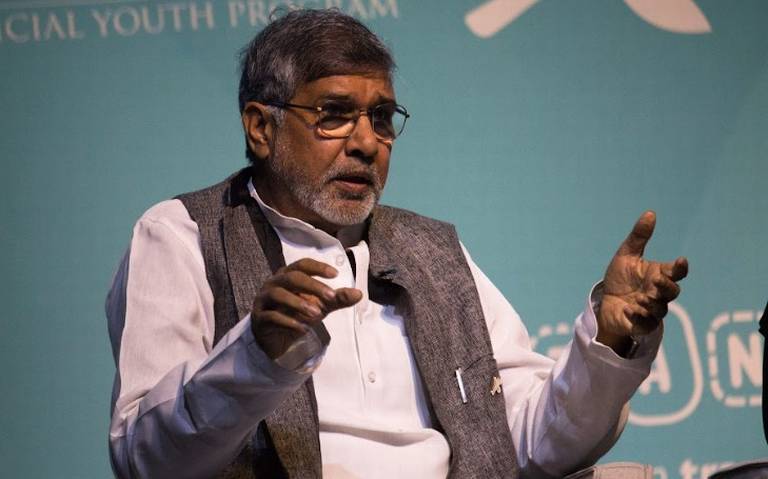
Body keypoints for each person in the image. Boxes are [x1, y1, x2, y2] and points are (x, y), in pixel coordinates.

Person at [106, 8, 688, 479]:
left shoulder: (433, 251)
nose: (366, 142)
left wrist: (608, 340)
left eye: (382, 118)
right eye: (334, 114)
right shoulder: (182, 234)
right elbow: (145, 460)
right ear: (262, 128)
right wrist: (254, 356)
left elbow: (528, 441)